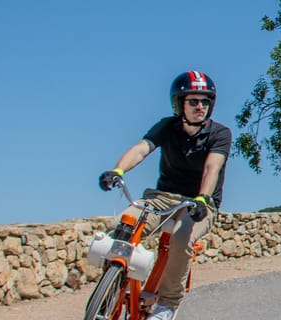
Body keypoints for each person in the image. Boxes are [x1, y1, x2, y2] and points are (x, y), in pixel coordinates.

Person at [98, 70, 231, 320]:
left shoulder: (220, 134)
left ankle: (167, 304)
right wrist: (117, 171)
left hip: (198, 203)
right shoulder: (167, 127)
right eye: (193, 101)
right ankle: (110, 290)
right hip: (162, 197)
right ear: (179, 104)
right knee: (123, 226)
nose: (200, 106)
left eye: (205, 101)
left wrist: (203, 198)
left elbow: (212, 168)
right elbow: (141, 149)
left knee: (181, 238)